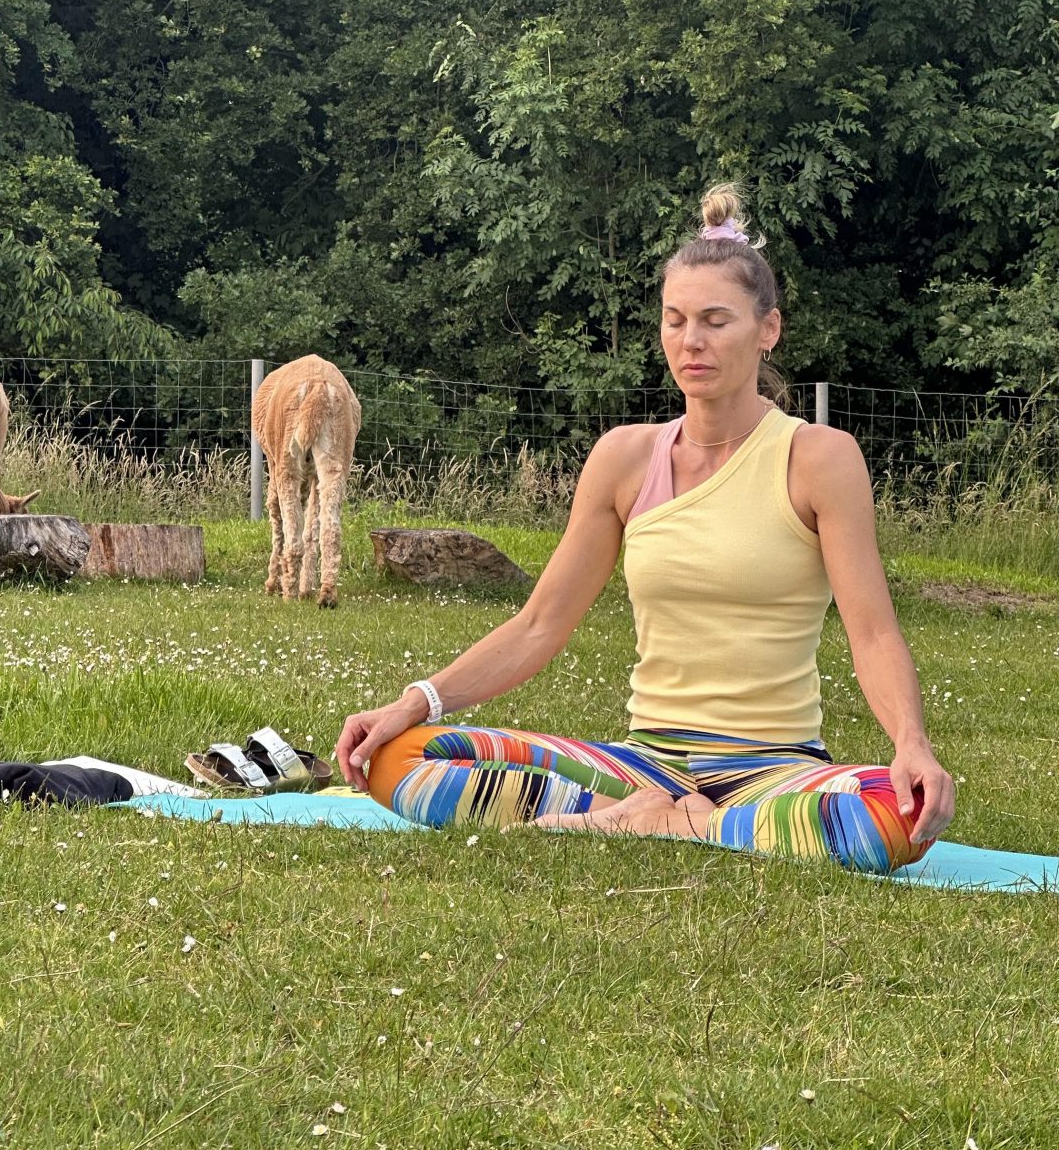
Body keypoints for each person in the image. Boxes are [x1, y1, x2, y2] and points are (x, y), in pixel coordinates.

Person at [336, 185, 956, 873]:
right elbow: (540, 624)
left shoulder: (817, 458)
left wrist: (911, 743)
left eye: (717, 321)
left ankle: (634, 827)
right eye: (675, 320)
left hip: (774, 769)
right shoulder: (625, 458)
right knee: (398, 756)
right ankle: (667, 819)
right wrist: (413, 700)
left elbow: (871, 631)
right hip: (641, 764)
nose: (691, 341)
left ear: (768, 329)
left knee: (898, 818)